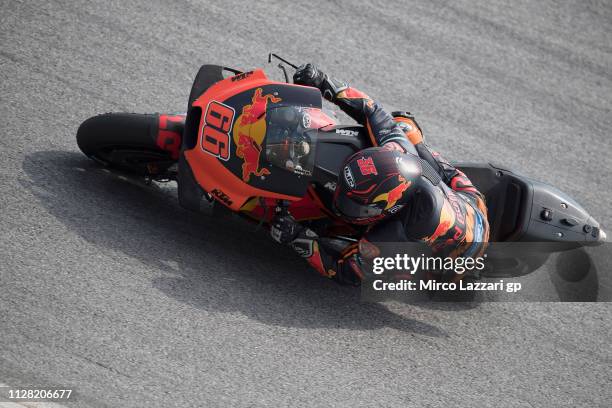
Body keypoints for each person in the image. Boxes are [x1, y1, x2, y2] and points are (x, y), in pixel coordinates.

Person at [270, 63, 489, 285]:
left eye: (357, 205)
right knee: (405, 127)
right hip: (471, 200)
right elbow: (371, 110)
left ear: (390, 208)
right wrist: (324, 82)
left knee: (366, 260)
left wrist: (297, 237)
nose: (343, 200)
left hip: (453, 263)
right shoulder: (398, 148)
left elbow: (345, 271)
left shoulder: (392, 235)